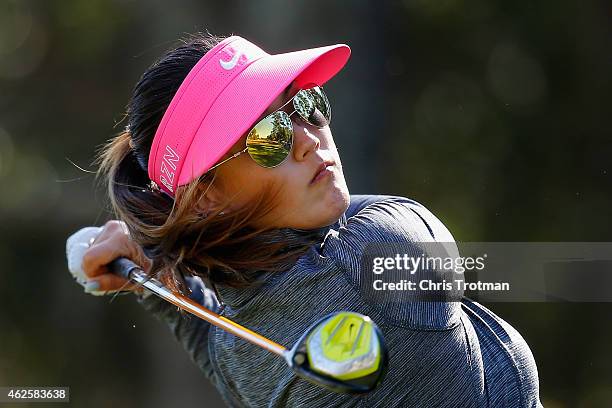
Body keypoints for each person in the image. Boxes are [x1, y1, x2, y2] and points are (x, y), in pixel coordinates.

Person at [65, 32, 543, 407]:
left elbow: (212, 334)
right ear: (206, 197)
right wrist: (156, 260)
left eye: (305, 105)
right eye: (267, 135)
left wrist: (154, 271)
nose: (309, 138)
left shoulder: (242, 347)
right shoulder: (380, 247)